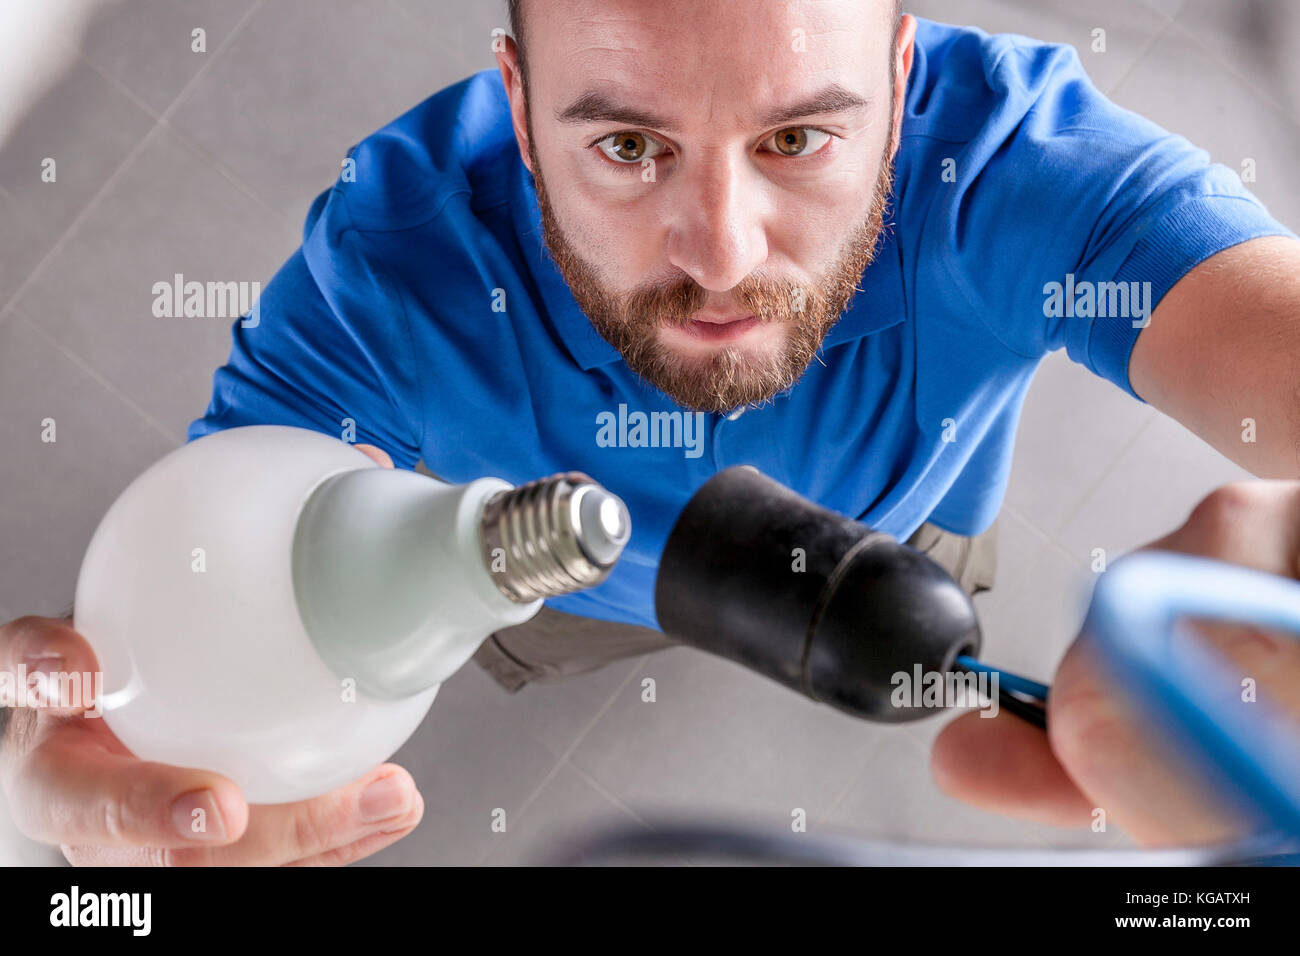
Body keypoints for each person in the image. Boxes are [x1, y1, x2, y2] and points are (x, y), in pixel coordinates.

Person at [3, 0, 1299, 865]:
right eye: (629, 145)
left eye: (798, 137)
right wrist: (109, 775)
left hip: (913, 529)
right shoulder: (395, 269)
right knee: (535, 612)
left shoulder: (1011, 167)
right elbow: (214, 566)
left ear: (903, 80)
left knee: (926, 612)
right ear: (518, 106)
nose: (722, 256)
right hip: (552, 586)